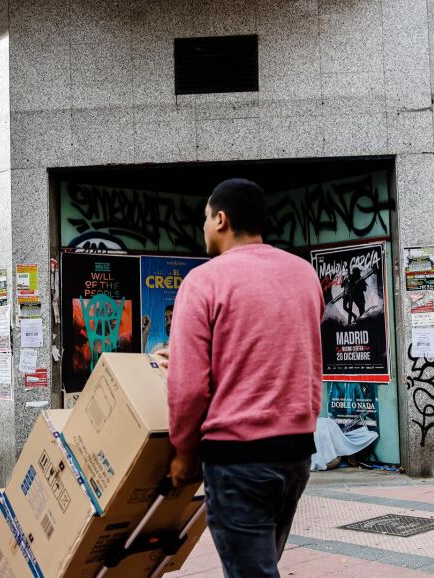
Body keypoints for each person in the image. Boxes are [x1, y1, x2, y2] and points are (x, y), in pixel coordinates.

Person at [160, 178, 323, 578]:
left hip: (238, 458)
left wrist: (183, 453)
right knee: (262, 564)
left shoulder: (203, 281)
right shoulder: (304, 274)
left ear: (221, 219)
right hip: (296, 454)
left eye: (204, 218)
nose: (203, 227)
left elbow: (188, 389)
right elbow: (292, 354)